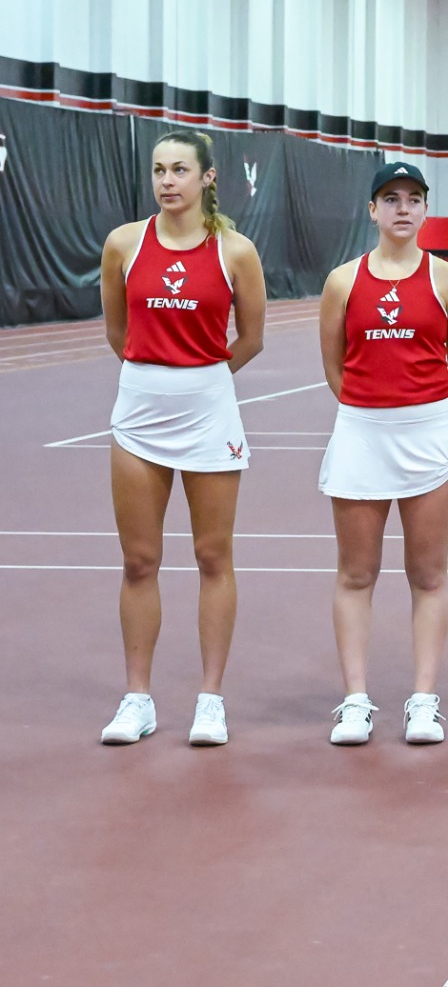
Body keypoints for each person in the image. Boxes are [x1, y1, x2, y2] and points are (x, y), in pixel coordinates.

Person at [97, 129, 266, 747]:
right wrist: (154, 376)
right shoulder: (123, 244)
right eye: (159, 170)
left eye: (180, 170)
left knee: (212, 556)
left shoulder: (236, 251)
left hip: (208, 414)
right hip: (139, 414)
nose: (168, 181)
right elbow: (118, 330)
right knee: (140, 560)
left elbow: (249, 338)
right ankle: (137, 698)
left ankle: (210, 700)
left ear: (207, 178)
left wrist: (199, 380)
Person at [316, 162, 448, 745]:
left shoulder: (447, 281)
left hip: (430, 432)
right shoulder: (342, 281)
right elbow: (334, 366)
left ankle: (423, 702)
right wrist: (372, 410)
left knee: (428, 574)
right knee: (357, 573)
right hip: (361, 432)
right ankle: (356, 701)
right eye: (391, 199)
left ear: (425, 209)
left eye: (413, 199)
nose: (402, 208)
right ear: (372, 210)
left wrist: (424, 411)